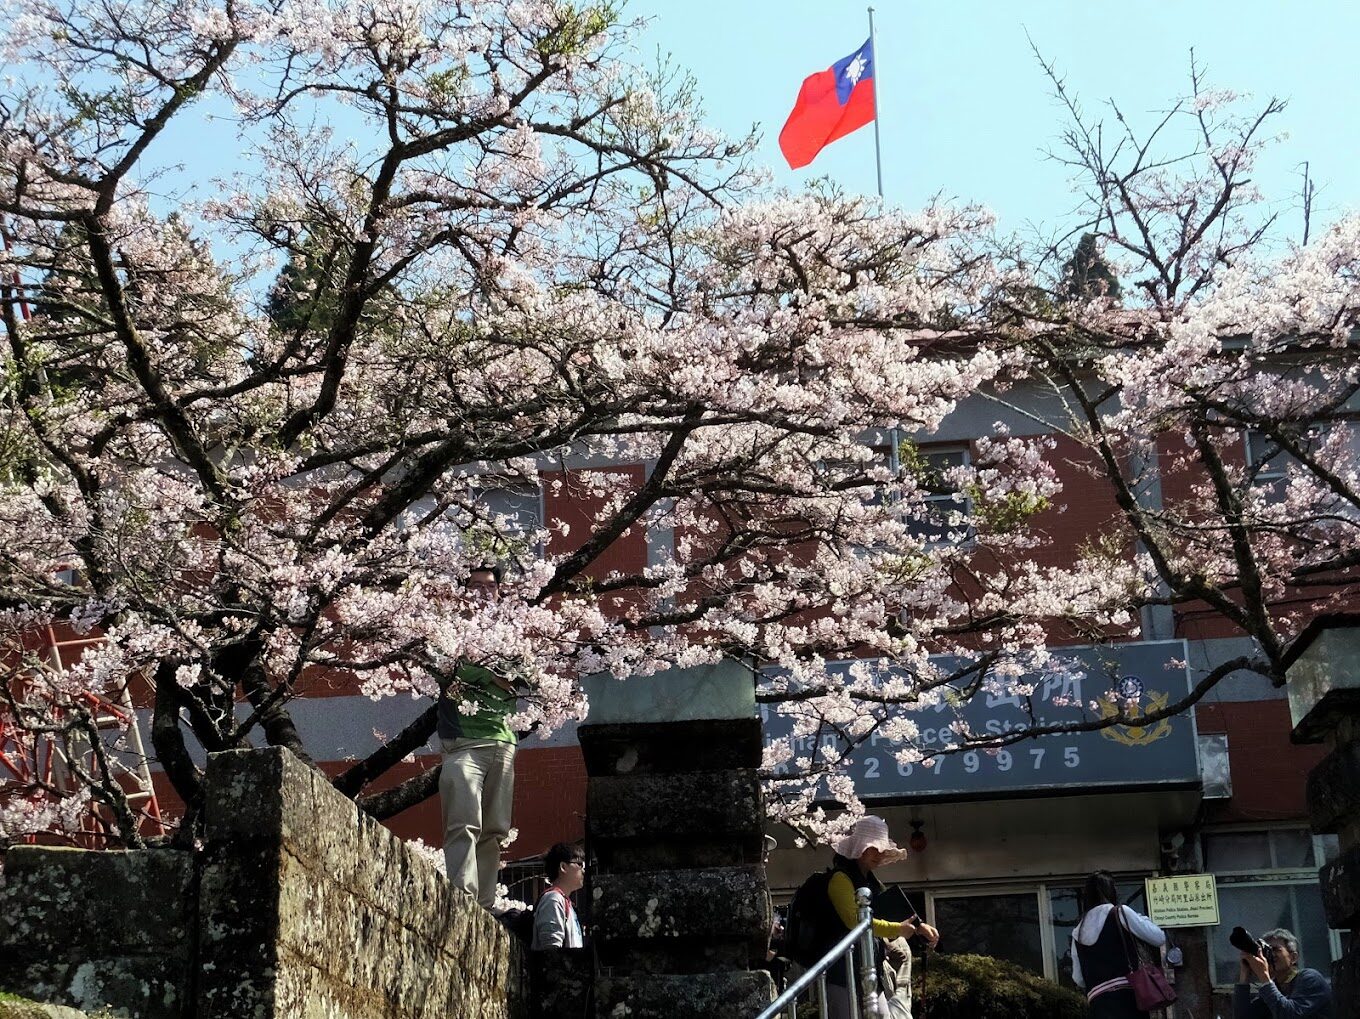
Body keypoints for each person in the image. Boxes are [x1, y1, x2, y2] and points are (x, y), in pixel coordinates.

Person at [437, 564, 519, 910]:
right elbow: (447, 672)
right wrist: (489, 674)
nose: (483, 592)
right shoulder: (449, 631)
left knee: (495, 830)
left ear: (499, 591)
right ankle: (463, 900)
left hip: (503, 741)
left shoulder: (513, 631)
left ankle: (485, 905)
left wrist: (478, 673)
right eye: (474, 585)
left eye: (489, 586)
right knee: (463, 822)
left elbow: (522, 678)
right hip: (463, 743)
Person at [813, 816, 940, 1019]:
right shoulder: (839, 879)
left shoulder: (871, 882)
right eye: (873, 847)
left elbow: (893, 910)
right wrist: (897, 929)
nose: (879, 854)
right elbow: (855, 921)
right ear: (858, 847)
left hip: (870, 968)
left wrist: (919, 927)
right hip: (841, 972)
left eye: (881, 848)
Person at [1070, 871, 1167, 1019]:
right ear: (1111, 890)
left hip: (1099, 1007)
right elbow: (1158, 937)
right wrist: (1142, 919)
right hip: (1128, 1001)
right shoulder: (1119, 913)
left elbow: (1079, 979)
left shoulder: (1077, 932)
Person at [1232, 927, 1333, 1018]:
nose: (1270, 955)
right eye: (1267, 951)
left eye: (1275, 950)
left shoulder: (1310, 978)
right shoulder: (1274, 988)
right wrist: (1244, 975)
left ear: (1293, 957)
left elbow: (1289, 1015)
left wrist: (1264, 976)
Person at [532, 842, 586, 949]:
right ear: (563, 867)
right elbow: (551, 948)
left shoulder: (567, 903)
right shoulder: (553, 899)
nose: (583, 870)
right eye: (580, 864)